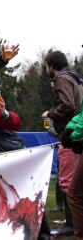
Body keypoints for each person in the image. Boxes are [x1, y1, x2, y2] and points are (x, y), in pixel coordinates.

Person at [41, 51, 83, 236]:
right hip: (76, 133)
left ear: (51, 65)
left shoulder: (62, 79)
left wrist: (49, 113)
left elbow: (68, 105)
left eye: (46, 65)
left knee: (68, 183)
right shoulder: (76, 77)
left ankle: (71, 225)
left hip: (71, 135)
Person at [61, 97, 83, 239]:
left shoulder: (62, 79)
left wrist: (75, 136)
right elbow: (81, 114)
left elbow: (68, 105)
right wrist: (70, 127)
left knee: (74, 194)